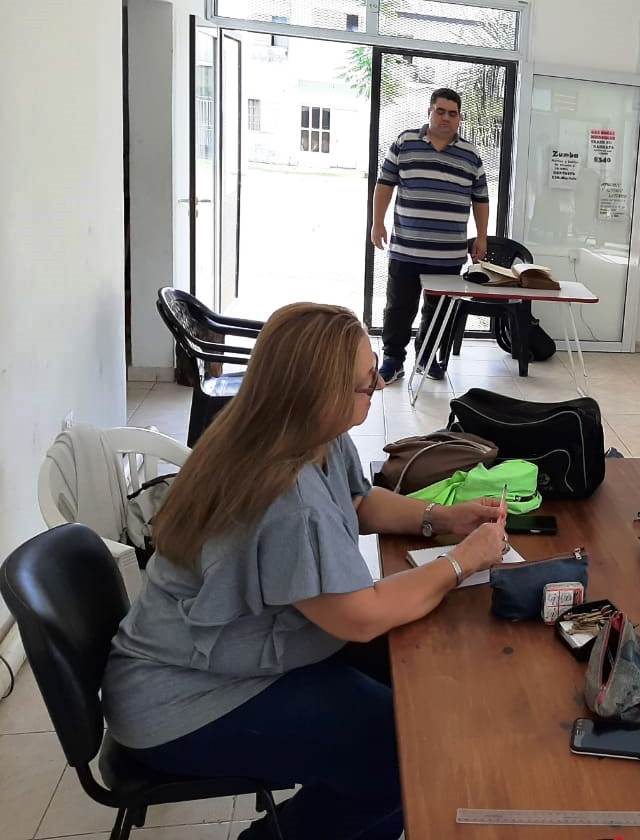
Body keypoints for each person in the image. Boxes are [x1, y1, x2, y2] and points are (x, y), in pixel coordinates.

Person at [102, 303, 509, 840]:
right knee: (403, 752)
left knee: (419, 676)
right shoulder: (288, 496)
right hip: (183, 701)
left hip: (221, 656)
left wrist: (442, 517)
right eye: (367, 380)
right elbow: (360, 617)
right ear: (322, 392)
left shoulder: (295, 430)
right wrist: (463, 561)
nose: (378, 385)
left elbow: (359, 502)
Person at [370, 87, 489, 383]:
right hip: (406, 249)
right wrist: (377, 223)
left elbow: (481, 199)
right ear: (429, 111)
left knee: (438, 311)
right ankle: (393, 360)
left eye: (453, 113)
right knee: (399, 308)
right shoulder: (405, 142)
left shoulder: (471, 154)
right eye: (440, 111)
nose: (446, 118)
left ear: (460, 118)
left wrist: (482, 236)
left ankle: (426, 358)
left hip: (448, 254)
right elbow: (384, 185)